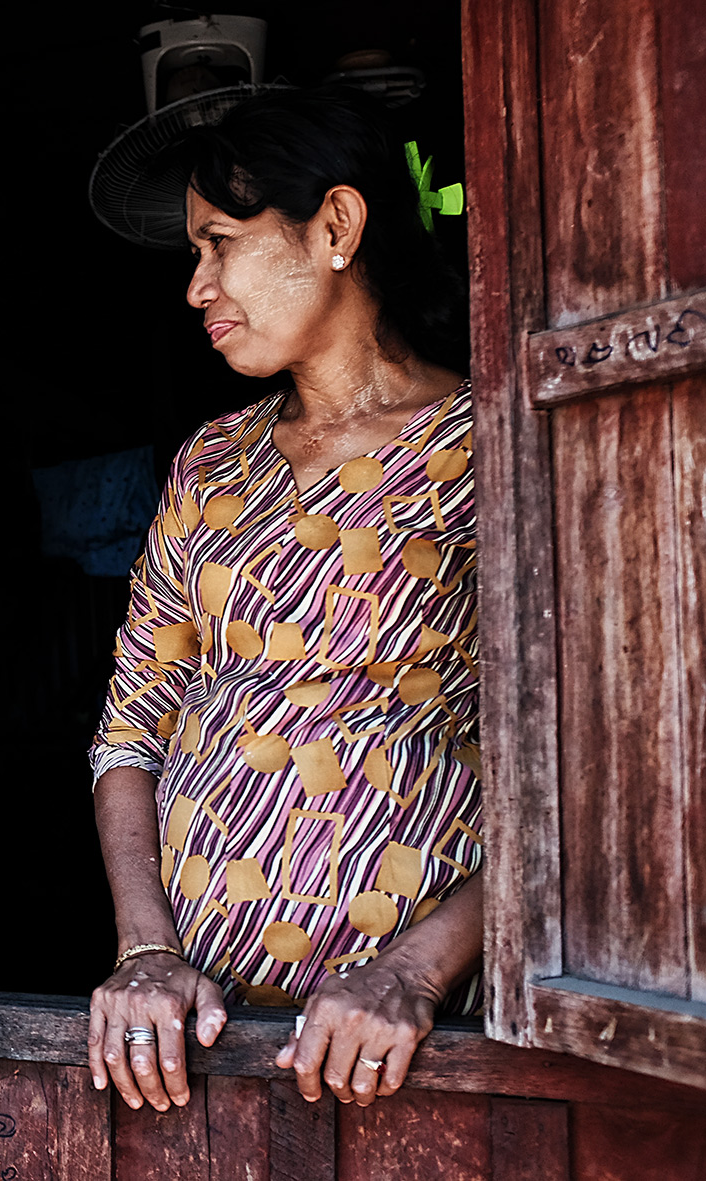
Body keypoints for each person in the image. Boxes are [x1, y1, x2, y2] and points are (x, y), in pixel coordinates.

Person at [84, 87, 482, 1112]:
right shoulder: (210, 462)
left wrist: (412, 971)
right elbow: (130, 729)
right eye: (192, 251)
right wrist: (143, 952)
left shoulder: (488, 447)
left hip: (405, 1046)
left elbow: (587, 775)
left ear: (337, 226)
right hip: (193, 1039)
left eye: (218, 242)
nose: (195, 285)